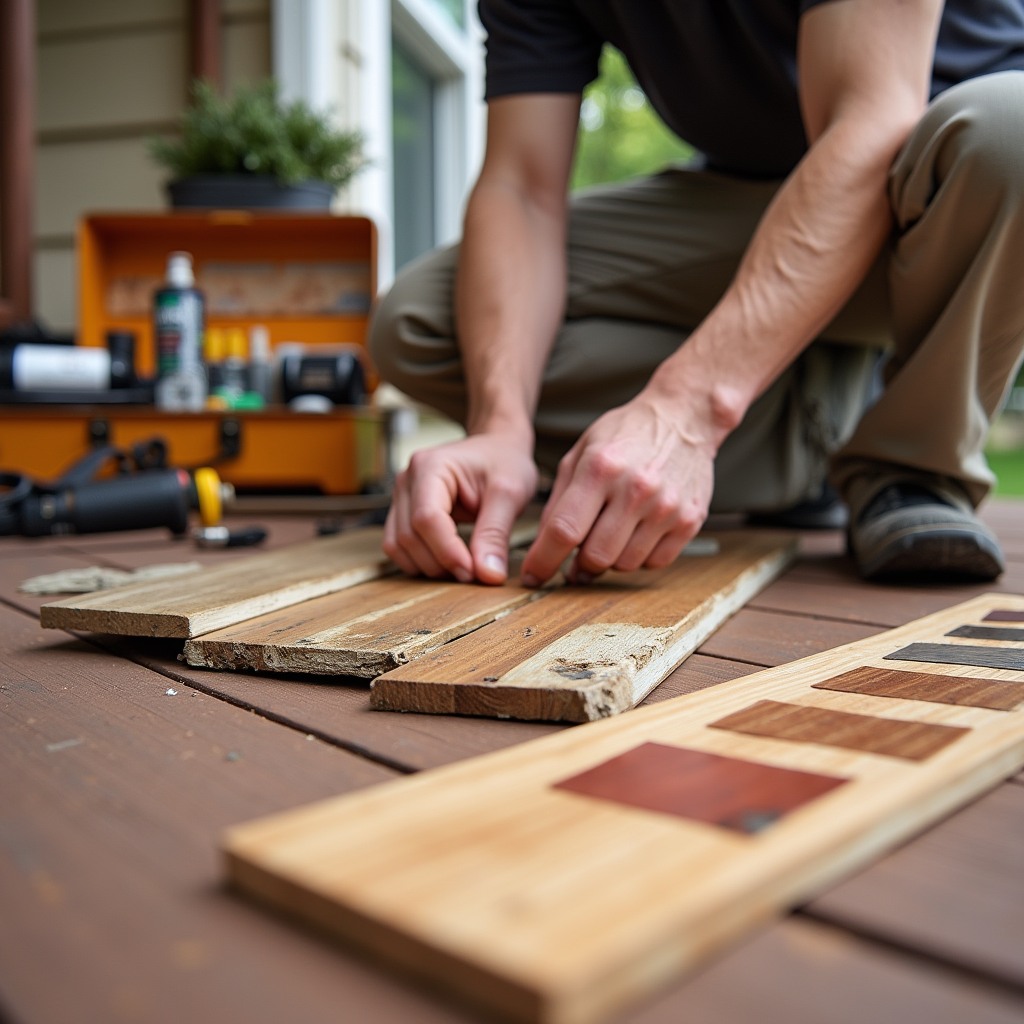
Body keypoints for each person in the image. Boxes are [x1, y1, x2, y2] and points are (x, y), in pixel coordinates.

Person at [369, 0, 1024, 589]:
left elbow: (871, 122)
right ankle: (811, 434)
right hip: (756, 203)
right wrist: (500, 427)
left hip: (949, 204)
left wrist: (685, 408)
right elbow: (522, 189)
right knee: (423, 322)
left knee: (1012, 132)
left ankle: (910, 472)